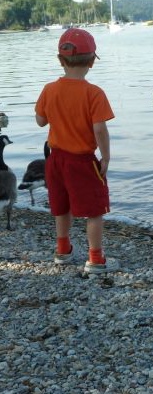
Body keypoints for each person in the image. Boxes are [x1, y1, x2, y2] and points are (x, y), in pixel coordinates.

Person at [35, 28, 116, 274]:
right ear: (92, 61)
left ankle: (63, 250)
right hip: (82, 161)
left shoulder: (50, 89)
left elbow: (40, 121)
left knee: (61, 205)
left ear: (61, 60)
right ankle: (95, 259)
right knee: (94, 211)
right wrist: (106, 156)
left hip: (55, 160)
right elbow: (99, 129)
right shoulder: (94, 93)